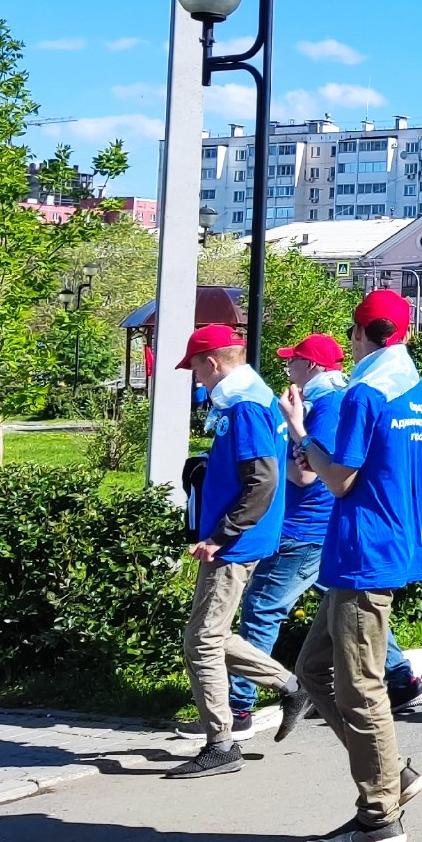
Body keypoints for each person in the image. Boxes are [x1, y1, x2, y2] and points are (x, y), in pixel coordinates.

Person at [275, 290, 422, 842]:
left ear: (361, 334)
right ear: (406, 333)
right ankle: (394, 775)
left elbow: (337, 479)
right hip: (376, 548)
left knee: (361, 687)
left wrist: (300, 434)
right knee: (314, 670)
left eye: (353, 333)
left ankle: (378, 818)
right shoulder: (416, 390)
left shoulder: (368, 392)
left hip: (363, 553)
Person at [228, 332, 422, 733]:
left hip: (309, 528)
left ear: (313, 366)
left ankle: (238, 708)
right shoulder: (337, 397)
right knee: (337, 610)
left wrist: (271, 448)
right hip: (329, 530)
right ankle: (401, 681)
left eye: (293, 361)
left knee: (262, 608)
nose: (288, 368)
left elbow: (308, 475)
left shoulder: (335, 402)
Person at [168, 323, 304, 779]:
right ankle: (291, 686)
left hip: (236, 541)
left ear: (212, 362)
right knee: (213, 633)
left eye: (196, 371)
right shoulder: (253, 397)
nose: (197, 380)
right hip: (243, 537)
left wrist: (221, 534)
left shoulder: (244, 405)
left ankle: (221, 743)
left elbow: (262, 480)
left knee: (201, 640)